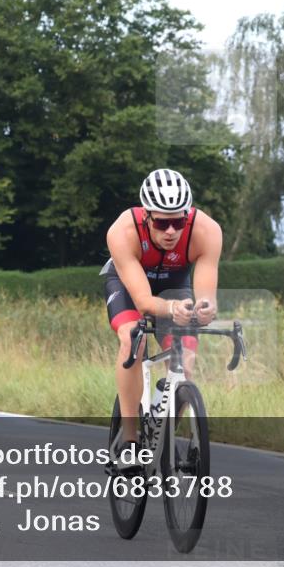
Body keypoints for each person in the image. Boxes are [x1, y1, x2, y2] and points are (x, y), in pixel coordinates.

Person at [102, 168, 222, 461]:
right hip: (128, 284)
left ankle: (162, 433)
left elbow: (205, 294)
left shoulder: (207, 231)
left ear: (187, 216)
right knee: (133, 338)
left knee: (186, 363)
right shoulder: (122, 231)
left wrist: (205, 308)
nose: (171, 231)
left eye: (178, 222)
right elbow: (144, 302)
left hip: (174, 285)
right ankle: (130, 441)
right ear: (146, 216)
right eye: (162, 222)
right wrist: (169, 309)